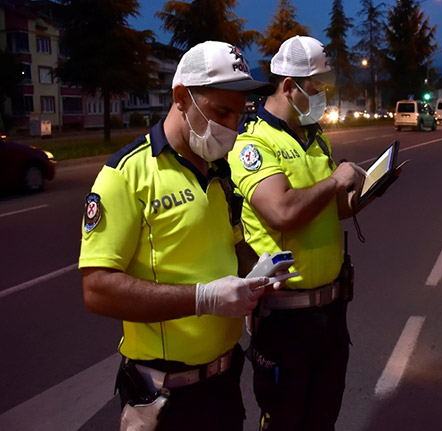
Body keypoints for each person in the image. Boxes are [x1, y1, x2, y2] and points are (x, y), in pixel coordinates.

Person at [78, 41, 276, 431]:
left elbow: (232, 246)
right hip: (165, 400)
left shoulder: (220, 171)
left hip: (225, 382)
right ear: (182, 97)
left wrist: (259, 274)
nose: (232, 127)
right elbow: (97, 289)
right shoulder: (126, 175)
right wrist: (203, 298)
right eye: (221, 112)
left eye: (239, 115)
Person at [228, 35, 368, 431]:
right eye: (316, 87)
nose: (322, 95)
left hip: (330, 313)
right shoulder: (254, 141)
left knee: (323, 419)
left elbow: (332, 208)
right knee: (285, 421)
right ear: (289, 86)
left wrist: (367, 189)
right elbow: (283, 211)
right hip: (286, 321)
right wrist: (334, 180)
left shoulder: (313, 135)